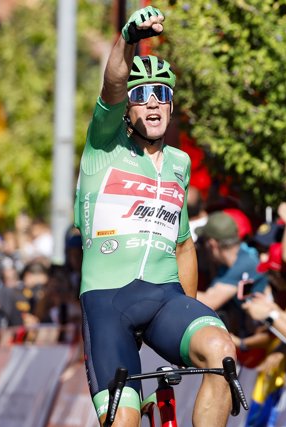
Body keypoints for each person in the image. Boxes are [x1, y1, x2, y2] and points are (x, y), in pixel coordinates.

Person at [74, 6, 236, 426]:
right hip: (108, 303)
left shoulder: (179, 165)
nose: (151, 103)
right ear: (127, 109)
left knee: (220, 349)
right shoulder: (104, 148)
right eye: (140, 95)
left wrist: (189, 315)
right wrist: (129, 38)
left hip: (165, 299)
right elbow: (112, 83)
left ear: (170, 107)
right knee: (124, 421)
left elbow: (183, 244)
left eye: (161, 95)